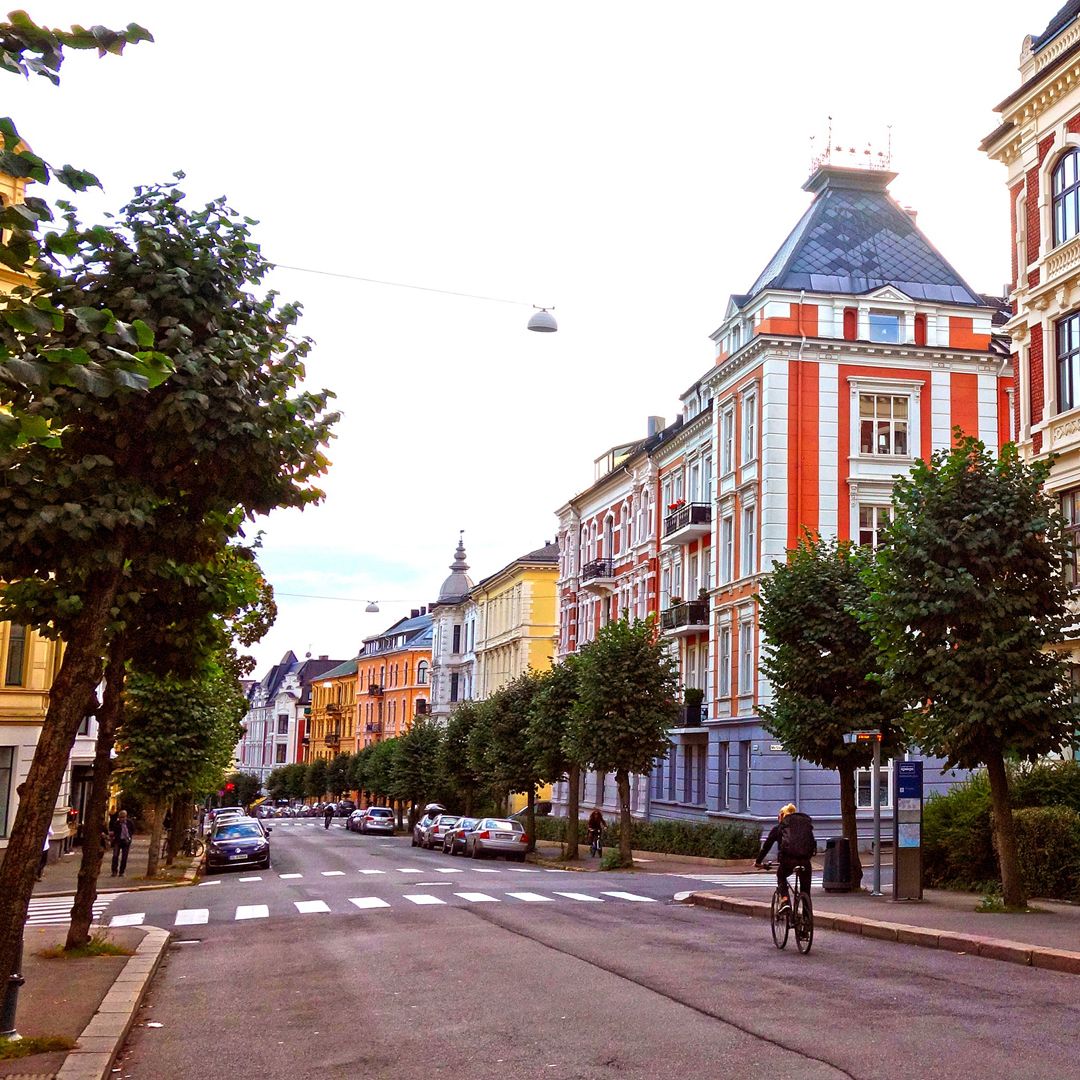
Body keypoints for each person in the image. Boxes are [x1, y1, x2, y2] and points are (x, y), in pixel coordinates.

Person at [755, 803, 817, 910]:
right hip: (805, 861)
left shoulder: (778, 828)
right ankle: (807, 920)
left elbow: (766, 846)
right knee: (805, 891)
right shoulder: (803, 827)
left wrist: (758, 861)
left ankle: (785, 900)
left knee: (781, 876)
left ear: (782, 816)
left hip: (788, 860)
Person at [110, 809, 133, 877]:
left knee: (124, 857)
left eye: (123, 817)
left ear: (126, 817)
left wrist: (129, 837)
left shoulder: (129, 823)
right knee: (115, 856)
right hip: (118, 841)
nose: (122, 819)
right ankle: (114, 871)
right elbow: (114, 831)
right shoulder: (116, 823)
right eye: (120, 817)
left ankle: (121, 871)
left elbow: (132, 830)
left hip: (126, 841)